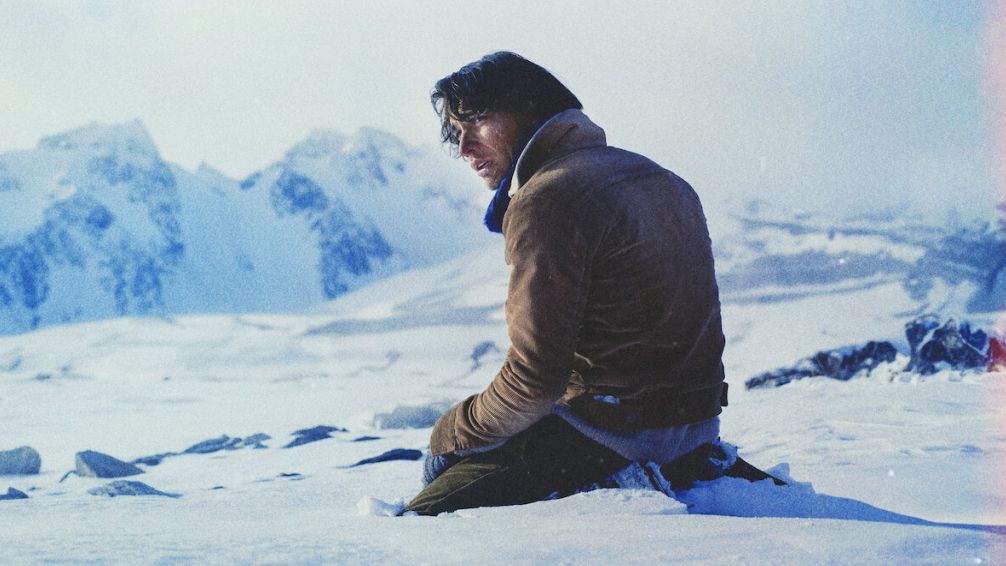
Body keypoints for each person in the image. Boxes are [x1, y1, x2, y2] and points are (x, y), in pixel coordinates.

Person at [405, 52, 778, 516]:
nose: (465, 147)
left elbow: (533, 382)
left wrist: (449, 431)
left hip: (611, 436)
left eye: (477, 120)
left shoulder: (547, 198)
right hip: (697, 431)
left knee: (418, 523)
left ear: (529, 107)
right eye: (456, 133)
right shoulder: (660, 176)